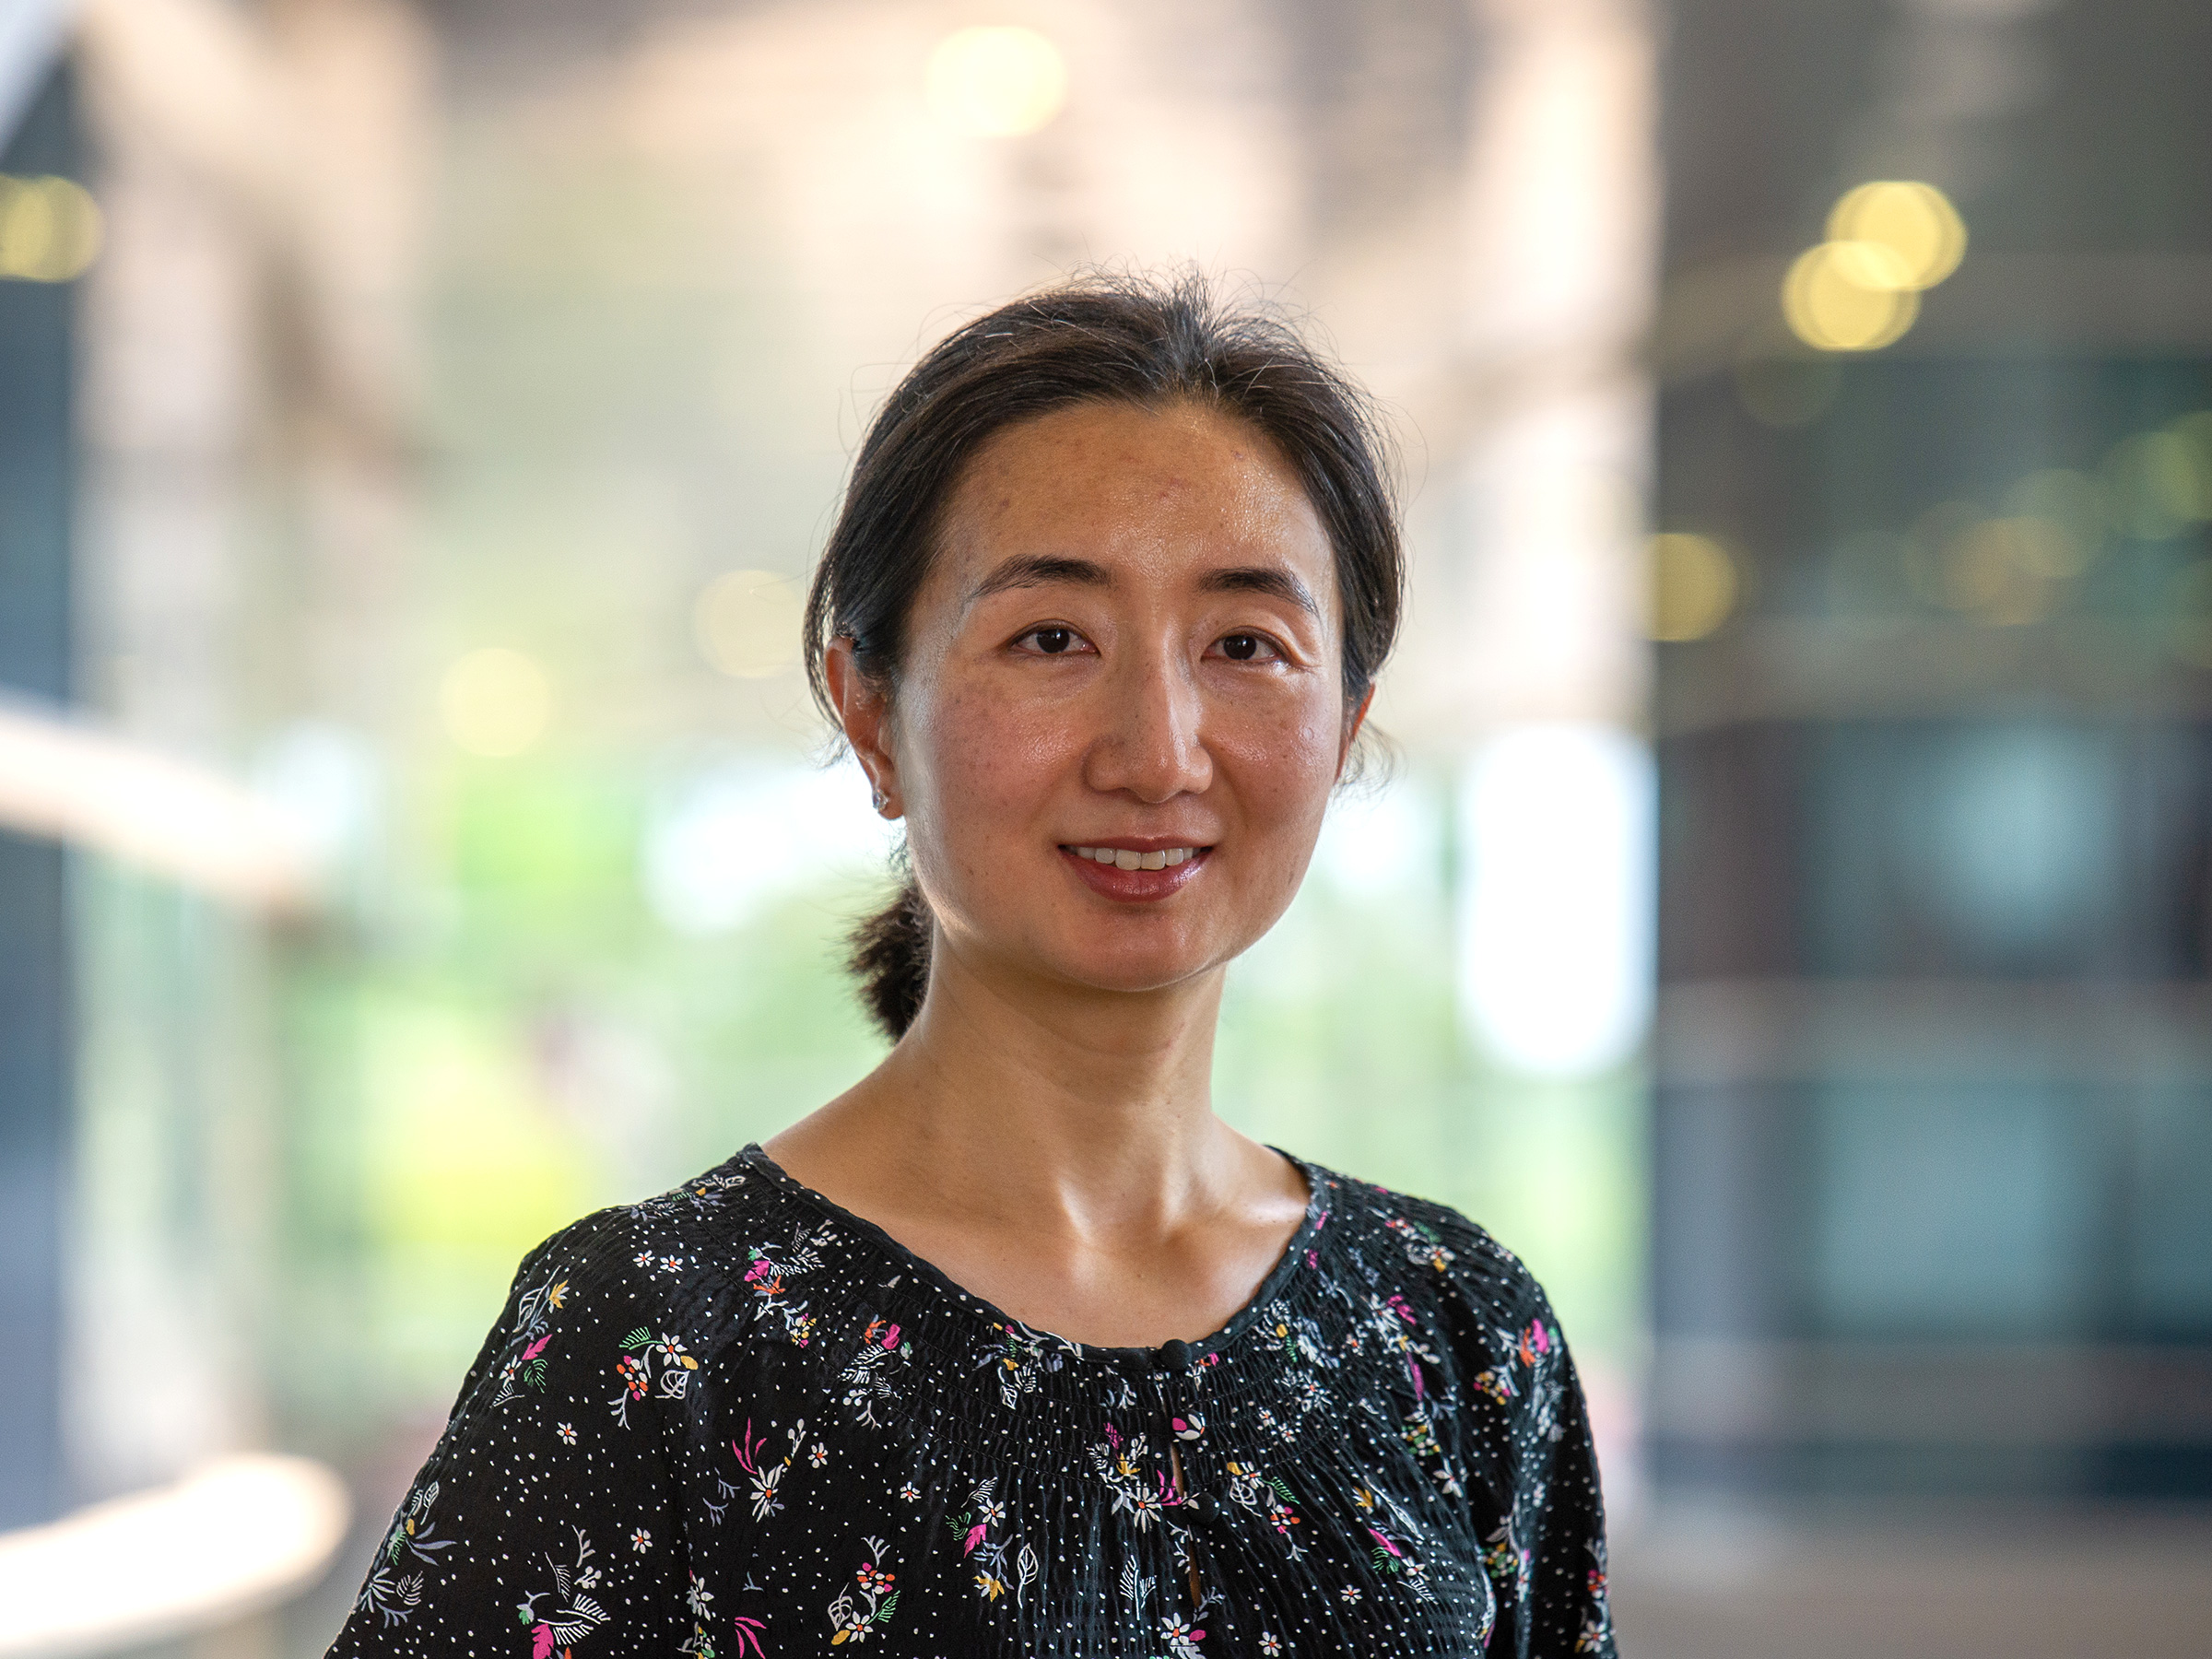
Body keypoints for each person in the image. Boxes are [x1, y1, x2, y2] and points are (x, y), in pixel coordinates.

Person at [329, 272, 1616, 1659]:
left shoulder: (1456, 1330)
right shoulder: (657, 1339)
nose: (1159, 754)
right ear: (871, 710)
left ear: (1349, 719)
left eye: (1246, 645)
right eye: (1052, 639)